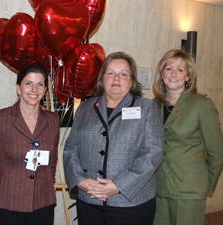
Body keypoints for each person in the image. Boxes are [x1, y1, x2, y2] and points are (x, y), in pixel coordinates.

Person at [63, 51, 164, 225]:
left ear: (132, 81)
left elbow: (152, 153)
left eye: (123, 74)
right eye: (111, 73)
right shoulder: (85, 108)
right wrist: (80, 181)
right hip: (90, 200)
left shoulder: (147, 109)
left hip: (131, 203)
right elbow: (71, 148)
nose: (116, 78)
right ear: (102, 78)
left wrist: (119, 185)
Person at [152, 49, 223, 225]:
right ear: (162, 74)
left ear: (188, 77)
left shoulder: (202, 105)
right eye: (169, 69)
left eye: (180, 70)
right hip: (159, 187)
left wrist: (205, 183)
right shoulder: (154, 106)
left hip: (189, 189)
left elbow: (217, 152)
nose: (173, 74)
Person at [0, 62, 60, 225]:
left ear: (45, 90)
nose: (34, 90)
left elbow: (52, 161)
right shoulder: (0, 118)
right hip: (9, 204)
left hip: (42, 203)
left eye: (39, 84)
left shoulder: (53, 120)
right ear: (18, 88)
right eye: (28, 83)